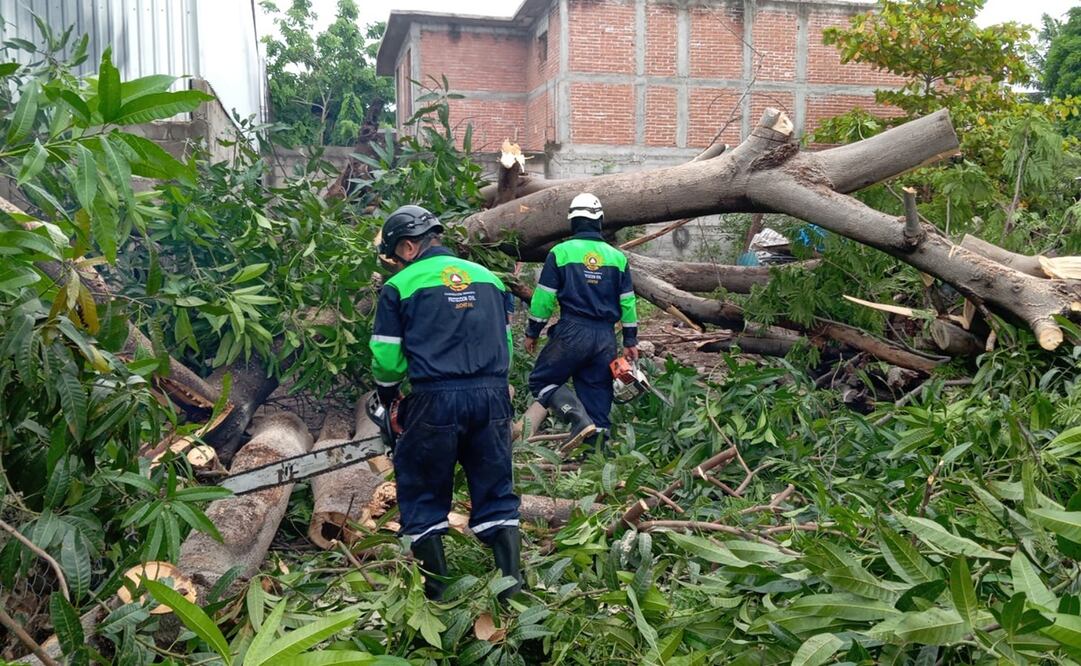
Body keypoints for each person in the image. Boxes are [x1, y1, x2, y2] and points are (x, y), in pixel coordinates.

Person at [369, 204, 520, 602]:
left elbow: (386, 356)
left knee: (422, 491)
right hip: (492, 395)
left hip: (434, 399)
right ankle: (511, 587)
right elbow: (505, 342)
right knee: (496, 486)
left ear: (406, 247)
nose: (393, 265)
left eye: (393, 257)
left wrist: (387, 397)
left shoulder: (400, 286)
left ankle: (438, 593)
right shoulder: (490, 280)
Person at [524, 193, 639, 450]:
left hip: (571, 332)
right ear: (600, 221)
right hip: (605, 337)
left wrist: (533, 331)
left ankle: (576, 418)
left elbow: (544, 298)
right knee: (597, 396)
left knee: (542, 381)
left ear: (572, 221)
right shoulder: (617, 257)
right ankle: (597, 461)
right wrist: (631, 339)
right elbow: (628, 301)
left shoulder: (560, 252)